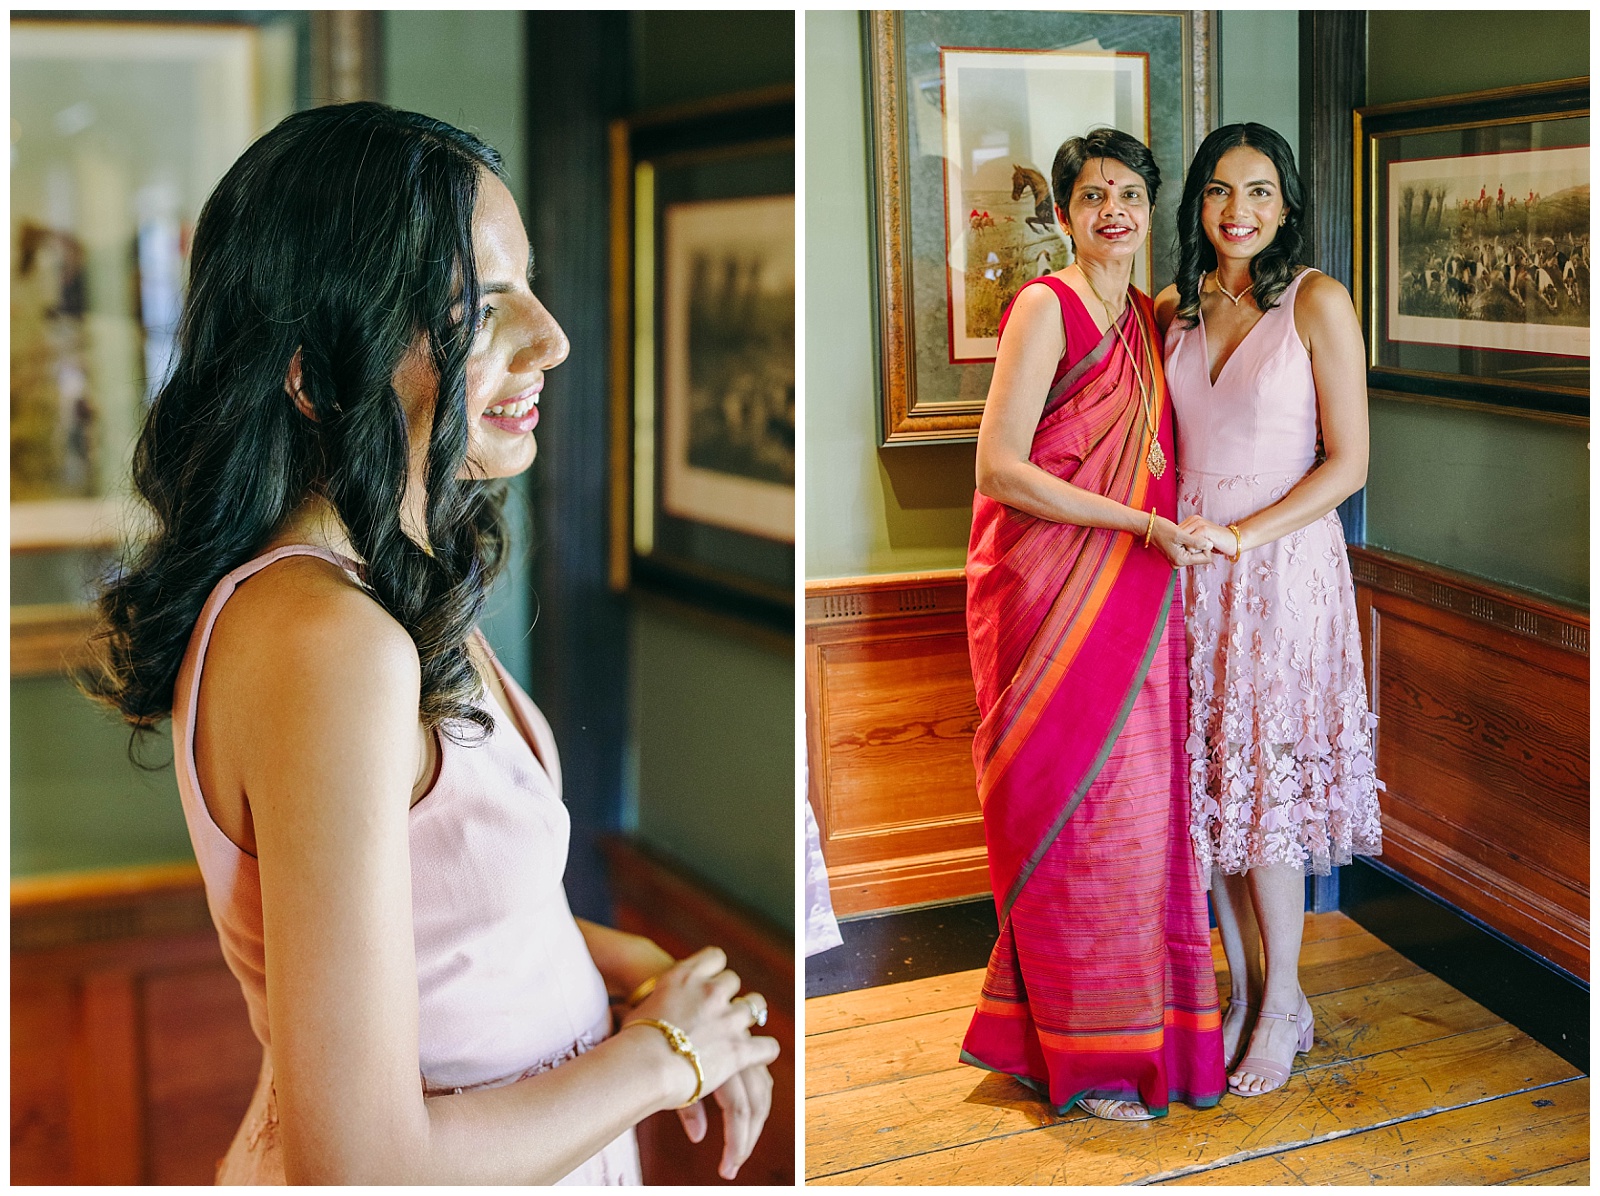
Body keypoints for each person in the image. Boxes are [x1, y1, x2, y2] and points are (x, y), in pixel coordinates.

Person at [85, 103, 777, 1184]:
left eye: (530, 288)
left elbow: (432, 929)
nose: (551, 337)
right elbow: (361, 1168)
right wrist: (667, 1056)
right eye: (481, 306)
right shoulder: (328, 641)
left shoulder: (370, 595)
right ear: (316, 370)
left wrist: (614, 959)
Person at [961, 126, 1226, 1123]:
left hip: (1138, 594)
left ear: (1148, 208)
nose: (1112, 208)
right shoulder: (1048, 307)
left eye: (1128, 192)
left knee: (1132, 822)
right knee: (1067, 822)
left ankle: (1117, 1035)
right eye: (1091, 194)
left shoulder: (1150, 322)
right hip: (1047, 595)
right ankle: (1081, 1053)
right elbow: (1001, 468)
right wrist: (1145, 523)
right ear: (1064, 212)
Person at [1155, 122, 1382, 1098]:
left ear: (1286, 202)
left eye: (1256, 191)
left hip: (1279, 570)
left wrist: (1244, 536)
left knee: (1267, 796)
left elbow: (1349, 461)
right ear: (1195, 204)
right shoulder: (1173, 305)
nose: (1234, 211)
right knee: (1206, 791)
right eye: (1216, 191)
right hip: (1185, 570)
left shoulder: (1317, 301)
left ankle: (1284, 993)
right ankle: (1244, 991)